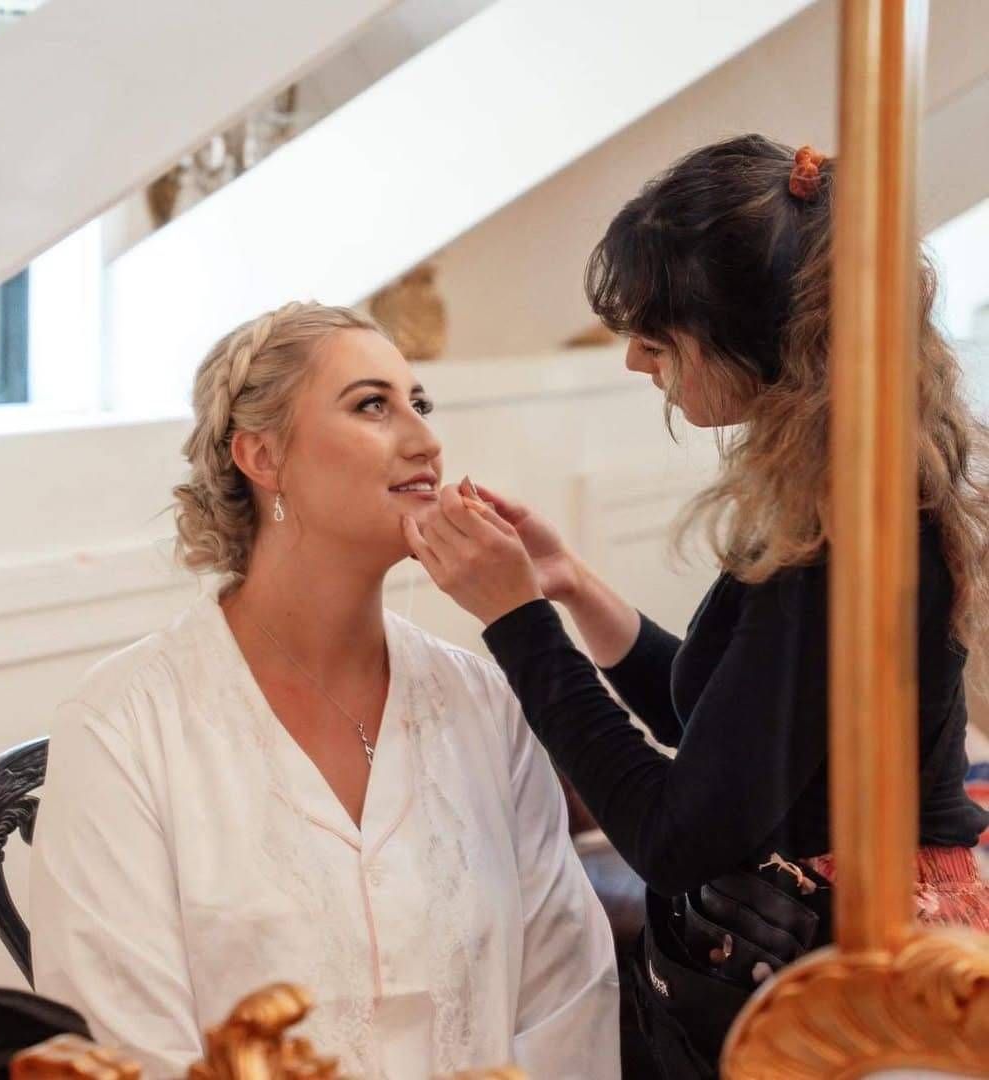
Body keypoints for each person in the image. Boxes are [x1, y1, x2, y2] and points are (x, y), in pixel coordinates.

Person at [403, 135, 989, 1055]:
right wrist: (571, 586)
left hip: (858, 987)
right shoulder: (838, 490)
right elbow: (731, 730)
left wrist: (517, 623)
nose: (638, 364)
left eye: (658, 339)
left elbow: (676, 837)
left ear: (754, 339)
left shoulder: (848, 536)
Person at [29, 303, 619, 1080]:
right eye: (372, 405)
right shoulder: (124, 726)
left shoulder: (484, 703)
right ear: (263, 456)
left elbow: (568, 1002)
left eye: (420, 403)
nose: (425, 440)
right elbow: (125, 1043)